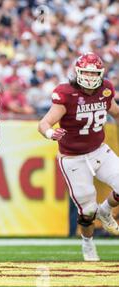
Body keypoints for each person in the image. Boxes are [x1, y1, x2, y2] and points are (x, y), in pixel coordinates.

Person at [38, 52, 119, 261]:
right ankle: (87, 243)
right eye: (86, 73)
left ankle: (106, 210)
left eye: (94, 74)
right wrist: (50, 133)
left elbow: (116, 112)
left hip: (98, 150)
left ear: (101, 74)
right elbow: (44, 123)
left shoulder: (105, 89)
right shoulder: (66, 93)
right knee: (87, 211)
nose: (91, 78)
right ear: (78, 72)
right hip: (73, 157)